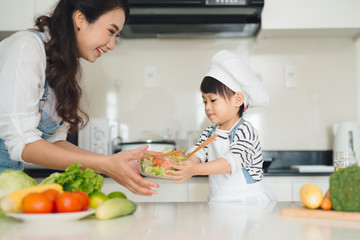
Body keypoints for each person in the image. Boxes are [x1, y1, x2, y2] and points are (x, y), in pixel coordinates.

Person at [0, 0, 158, 196]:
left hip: (8, 183)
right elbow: (23, 144)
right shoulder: (27, 48)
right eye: (111, 31)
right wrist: (106, 164)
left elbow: (53, 142)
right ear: (80, 18)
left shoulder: (68, 69)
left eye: (116, 36)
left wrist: (111, 163)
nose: (111, 45)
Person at [168, 50, 276, 202]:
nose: (207, 107)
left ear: (237, 99)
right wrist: (185, 164)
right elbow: (197, 152)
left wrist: (194, 170)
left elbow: (231, 163)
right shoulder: (209, 132)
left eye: (213, 100)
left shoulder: (246, 131)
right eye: (204, 101)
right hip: (219, 199)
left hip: (248, 201)